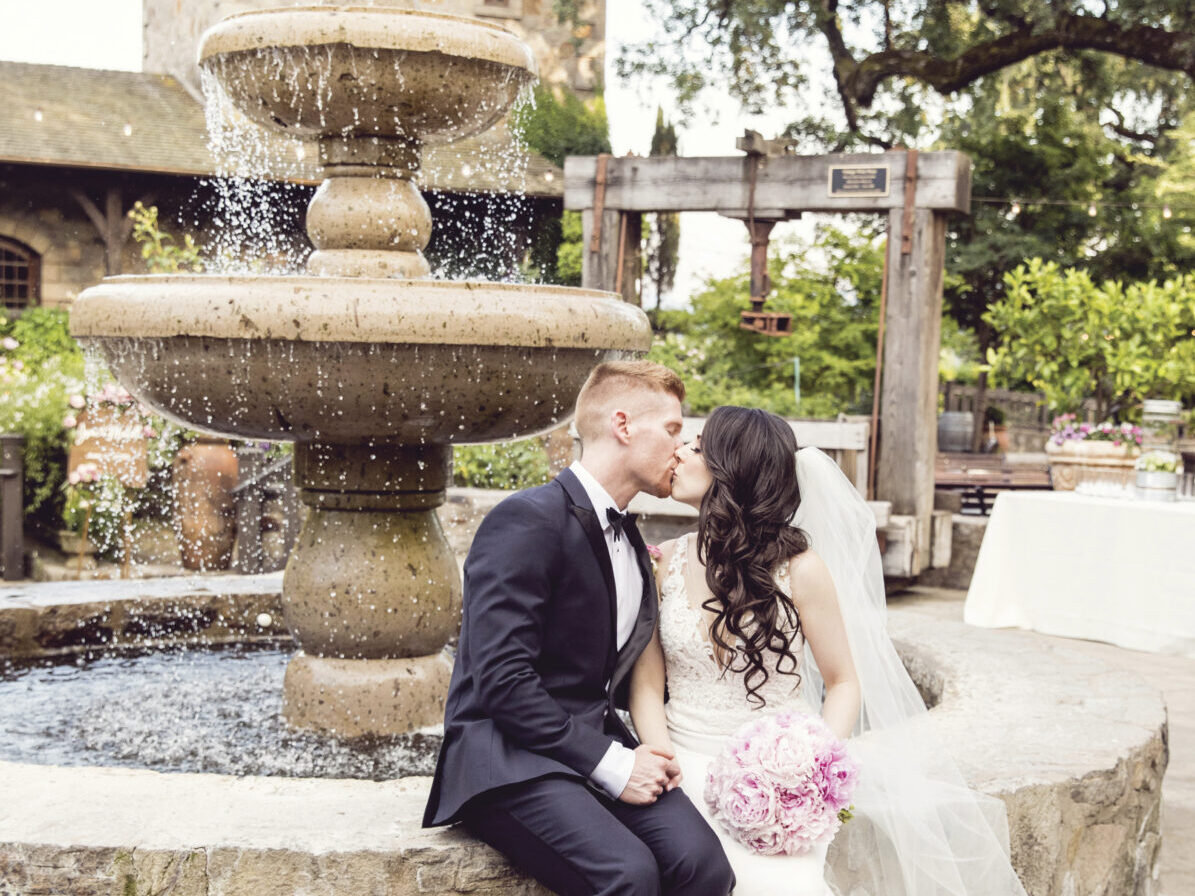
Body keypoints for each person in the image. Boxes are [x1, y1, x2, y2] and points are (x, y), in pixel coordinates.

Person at [631, 405, 1031, 896]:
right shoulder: (661, 561)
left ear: (731, 469)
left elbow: (842, 681)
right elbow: (647, 685)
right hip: (682, 759)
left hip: (777, 775)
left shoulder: (800, 569)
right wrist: (661, 760)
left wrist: (809, 765)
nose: (679, 452)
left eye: (695, 446)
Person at [422, 360, 735, 896]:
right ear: (623, 425)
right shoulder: (526, 518)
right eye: (672, 430)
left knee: (704, 866)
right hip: (506, 758)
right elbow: (500, 680)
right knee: (628, 875)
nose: (681, 449)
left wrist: (634, 752)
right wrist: (611, 763)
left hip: (590, 747)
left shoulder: (636, 545)